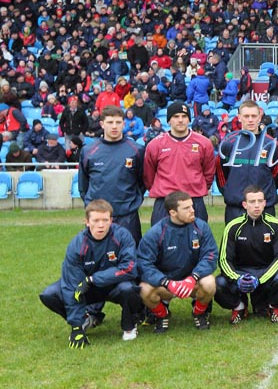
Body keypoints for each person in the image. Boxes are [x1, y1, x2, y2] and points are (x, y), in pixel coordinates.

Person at [39, 200, 142, 347]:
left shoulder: (122, 236)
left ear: (111, 220)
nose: (101, 225)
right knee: (50, 294)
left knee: (129, 289)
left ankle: (129, 325)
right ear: (87, 222)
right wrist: (76, 326)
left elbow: (129, 268)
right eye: (96, 220)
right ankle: (84, 319)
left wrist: (93, 279)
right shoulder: (77, 244)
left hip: (114, 285)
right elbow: (71, 285)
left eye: (105, 220)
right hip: (87, 288)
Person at [137, 191, 218, 333]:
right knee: (144, 289)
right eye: (186, 208)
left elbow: (210, 256)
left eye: (192, 206)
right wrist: (167, 282)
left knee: (210, 282)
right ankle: (162, 316)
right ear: (173, 213)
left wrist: (193, 278)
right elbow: (144, 264)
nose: (192, 210)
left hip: (193, 282)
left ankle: (199, 313)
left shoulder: (202, 227)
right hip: (167, 285)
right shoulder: (156, 233)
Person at [215, 186, 278, 324]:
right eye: (252, 201)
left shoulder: (276, 225)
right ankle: (239, 306)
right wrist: (237, 278)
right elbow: (224, 259)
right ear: (244, 204)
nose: (256, 205)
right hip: (241, 272)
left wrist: (260, 278)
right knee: (218, 283)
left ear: (264, 203)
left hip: (266, 271)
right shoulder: (233, 226)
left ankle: (272, 306)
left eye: (259, 201)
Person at [78, 106, 146, 244]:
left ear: (124, 124)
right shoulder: (89, 151)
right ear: (102, 124)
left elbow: (142, 182)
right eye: (110, 122)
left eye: (118, 122)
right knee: (97, 258)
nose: (114, 126)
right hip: (99, 216)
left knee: (130, 258)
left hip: (127, 217)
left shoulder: (136, 150)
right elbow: (84, 185)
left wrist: (129, 202)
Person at [143, 102, 215, 225]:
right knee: (162, 242)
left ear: (189, 119)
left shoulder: (204, 143)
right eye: (176, 117)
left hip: (194, 201)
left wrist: (196, 187)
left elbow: (208, 173)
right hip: (165, 202)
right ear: (169, 120)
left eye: (184, 116)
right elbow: (149, 176)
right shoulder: (155, 145)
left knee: (196, 242)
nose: (180, 120)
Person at [216, 102, 278, 223]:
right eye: (246, 116)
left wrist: (263, 195)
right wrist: (231, 192)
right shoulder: (228, 143)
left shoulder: (271, 144)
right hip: (236, 208)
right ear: (239, 117)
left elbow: (276, 174)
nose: (250, 120)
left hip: (264, 208)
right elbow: (221, 173)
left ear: (260, 116)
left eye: (254, 116)